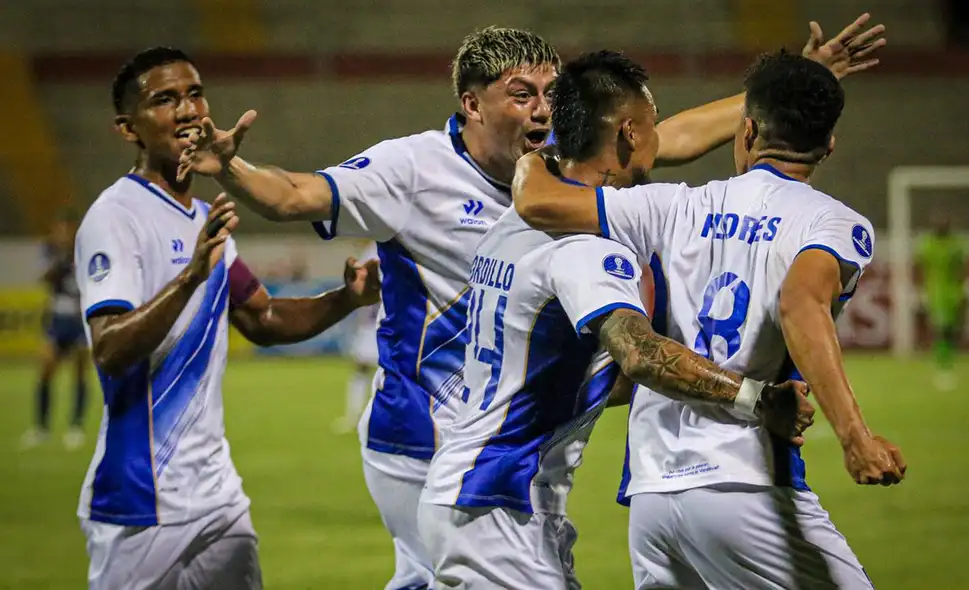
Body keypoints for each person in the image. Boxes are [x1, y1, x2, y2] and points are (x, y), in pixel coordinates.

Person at [177, 20, 883, 588]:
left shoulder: (525, 216)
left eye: (551, 93)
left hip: (493, 475)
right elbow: (637, 352)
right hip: (459, 466)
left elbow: (661, 145)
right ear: (472, 103)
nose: (542, 108)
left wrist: (789, 90)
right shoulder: (550, 227)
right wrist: (757, 399)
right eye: (522, 93)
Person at [417, 51, 814, 590]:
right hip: (500, 502)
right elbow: (639, 353)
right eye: (653, 127)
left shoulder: (515, 221)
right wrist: (756, 399)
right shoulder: (585, 245)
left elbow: (577, 372)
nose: (659, 140)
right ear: (630, 133)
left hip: (476, 495)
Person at [512, 49, 906, 589]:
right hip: (744, 484)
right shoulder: (833, 224)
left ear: (746, 132)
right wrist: (855, 437)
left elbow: (536, 201)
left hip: (652, 496)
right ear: (828, 146)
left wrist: (537, 149)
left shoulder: (671, 205)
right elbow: (800, 304)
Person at [75, 47, 380, 590]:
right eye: (164, 100)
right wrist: (191, 274)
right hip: (142, 503)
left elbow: (261, 317)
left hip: (217, 497)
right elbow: (110, 348)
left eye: (194, 94)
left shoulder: (201, 216)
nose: (188, 109)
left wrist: (345, 299)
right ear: (129, 128)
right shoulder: (114, 218)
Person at [21, 210, 90, 450]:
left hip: (80, 319)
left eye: (67, 229)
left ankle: (76, 426)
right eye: (59, 229)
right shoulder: (50, 251)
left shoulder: (86, 250)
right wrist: (60, 260)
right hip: (57, 320)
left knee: (80, 372)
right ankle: (41, 428)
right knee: (46, 369)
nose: (63, 234)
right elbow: (43, 278)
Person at [916, 211, 967, 391]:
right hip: (935, 292)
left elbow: (962, 268)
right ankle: (943, 364)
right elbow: (920, 266)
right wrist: (920, 288)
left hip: (953, 291)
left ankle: (946, 360)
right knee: (941, 329)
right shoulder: (928, 244)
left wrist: (963, 288)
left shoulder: (957, 244)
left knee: (951, 330)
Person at [335, 241, 380, 433]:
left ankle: (370, 418)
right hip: (370, 324)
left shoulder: (383, 248)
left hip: (387, 323)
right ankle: (355, 416)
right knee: (362, 368)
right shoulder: (373, 249)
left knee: (386, 372)